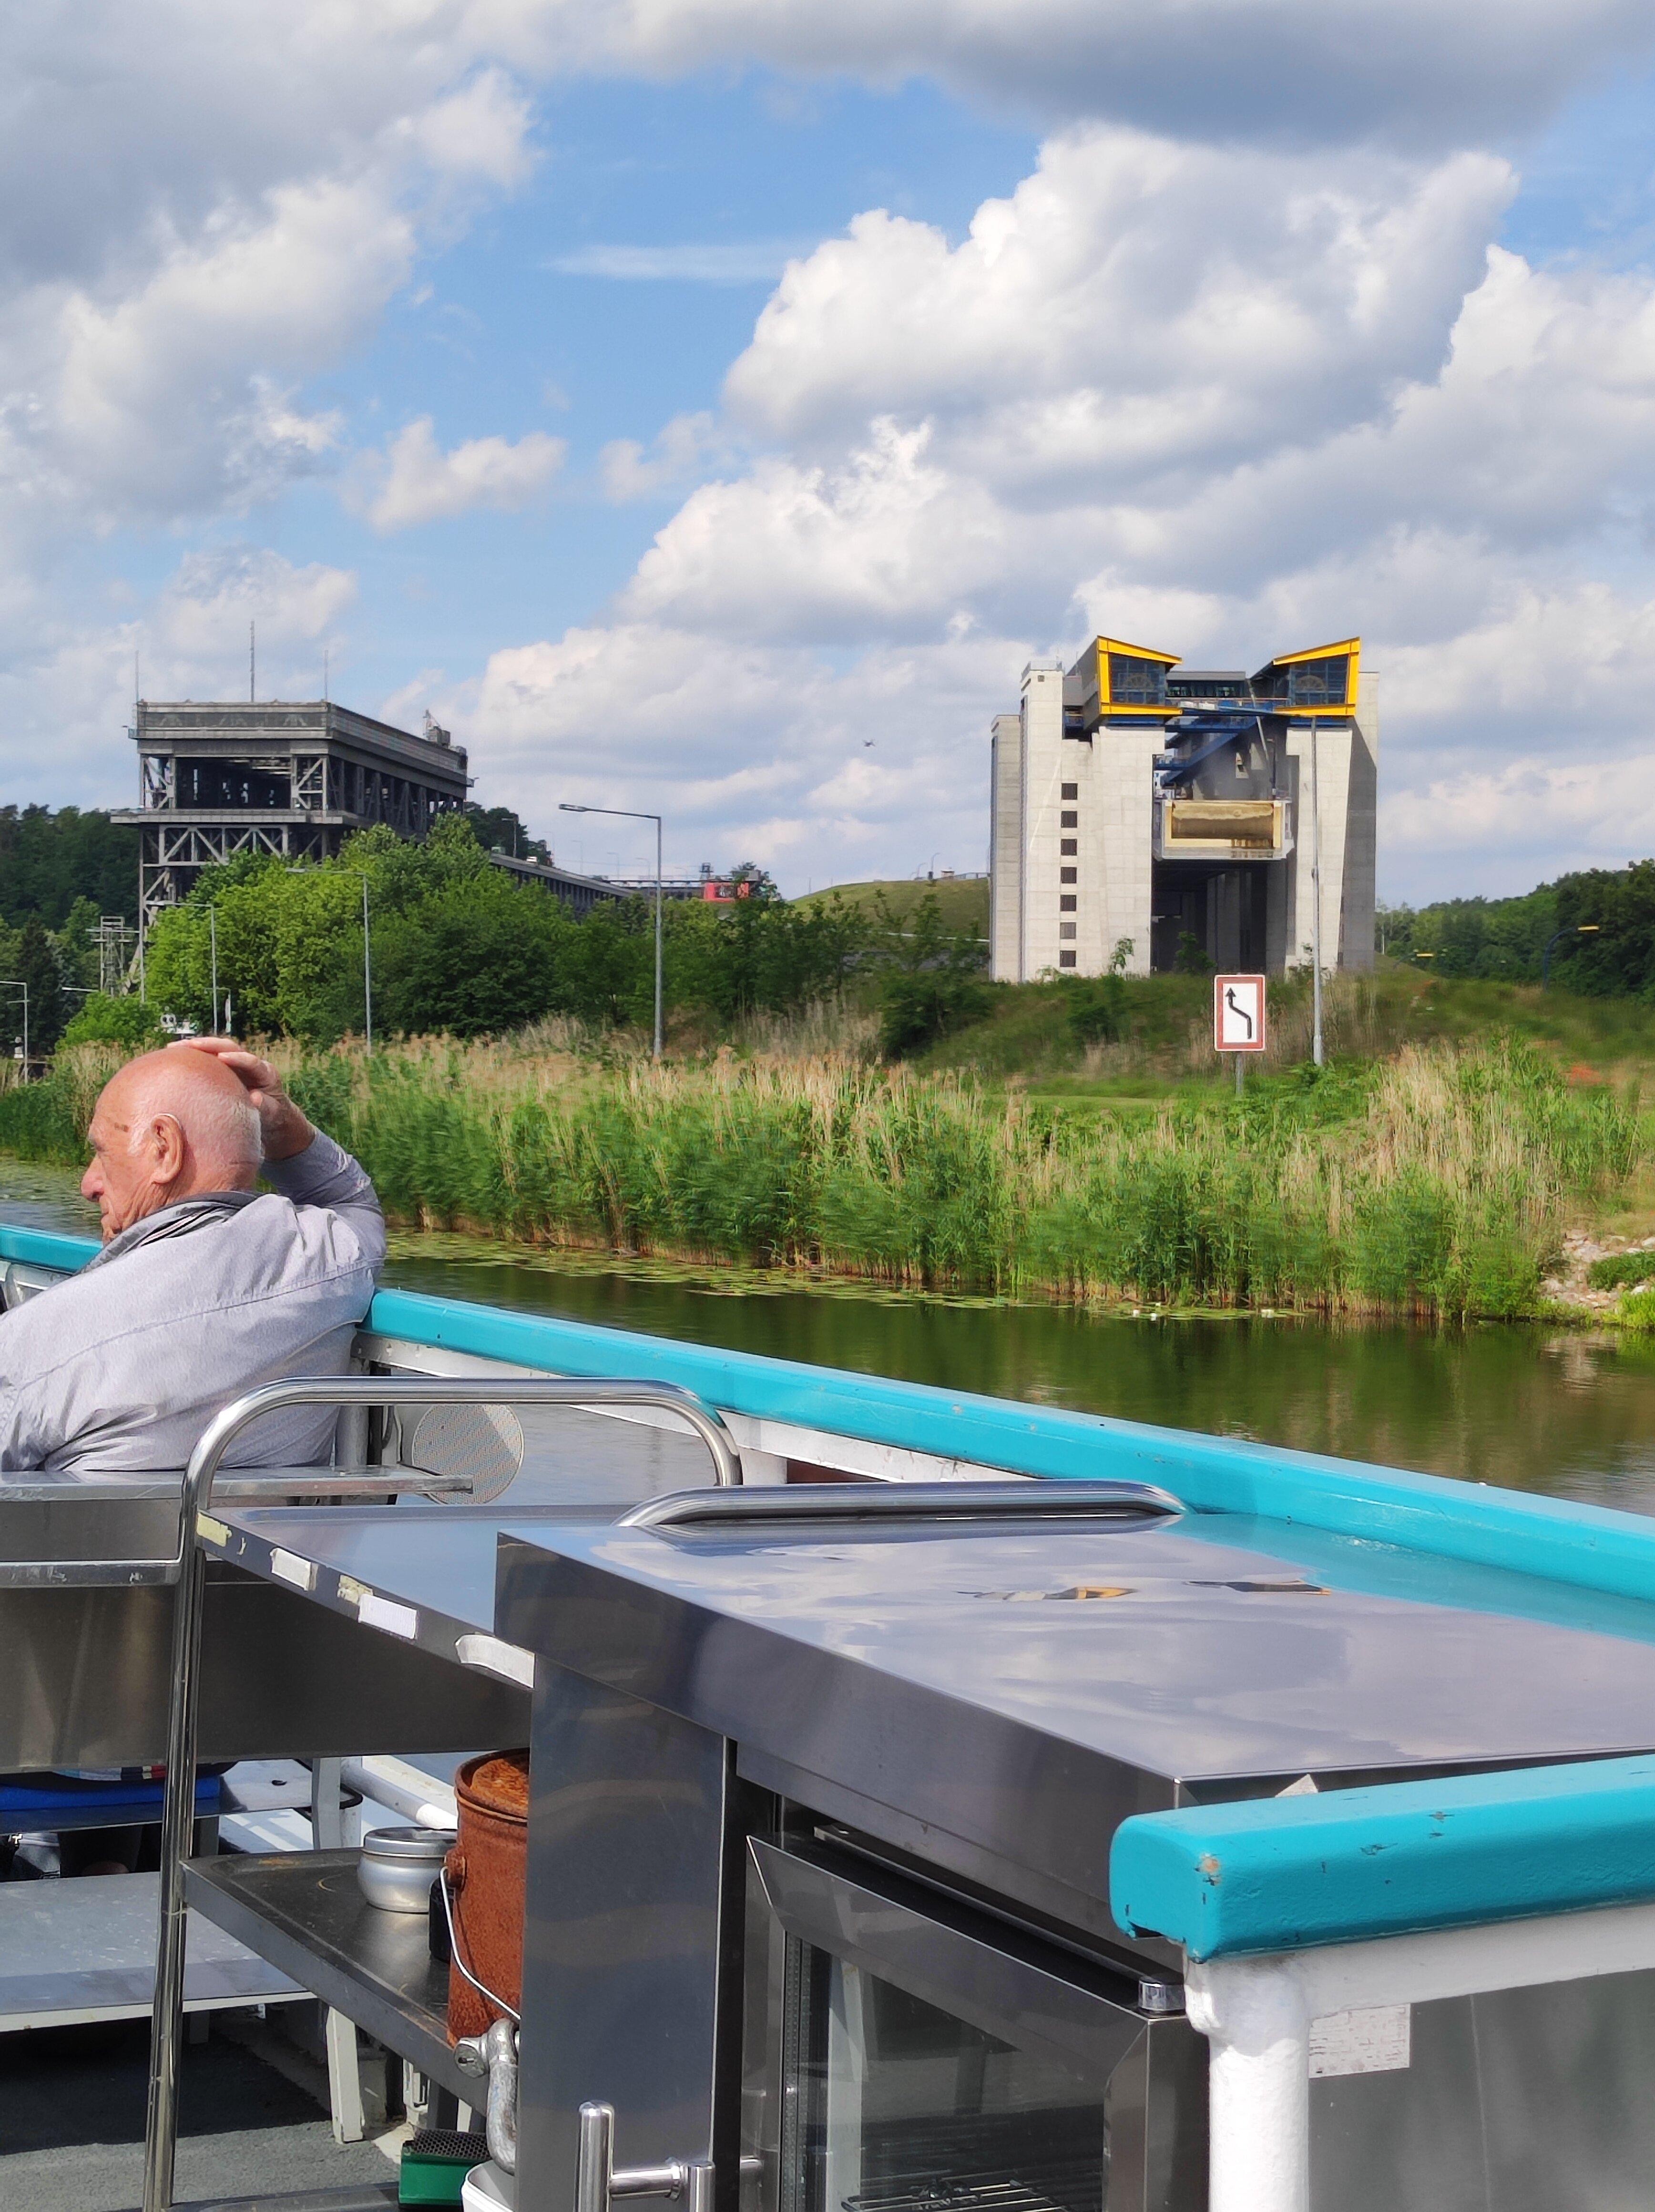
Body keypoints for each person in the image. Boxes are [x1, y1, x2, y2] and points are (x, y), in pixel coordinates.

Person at [0, 1038, 385, 1477]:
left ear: (165, 1149)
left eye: (103, 1153)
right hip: (265, 1543)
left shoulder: (35, 1339)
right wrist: (284, 1126)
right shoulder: (325, 1257)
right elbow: (353, 1201)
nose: (89, 1184)